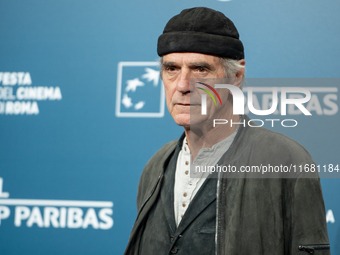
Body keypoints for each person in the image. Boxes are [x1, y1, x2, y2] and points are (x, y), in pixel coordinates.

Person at [124, 7, 330, 255]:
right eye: (171, 69)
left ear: (236, 76)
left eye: (200, 70)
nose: (182, 85)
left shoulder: (287, 161)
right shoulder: (156, 166)